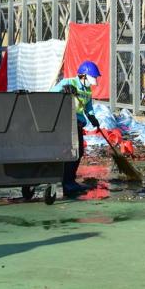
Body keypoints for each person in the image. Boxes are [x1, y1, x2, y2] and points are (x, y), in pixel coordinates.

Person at [51, 60, 101, 197]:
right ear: (83, 76)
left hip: (77, 123)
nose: (94, 81)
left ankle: (70, 180)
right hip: (65, 123)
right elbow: (51, 94)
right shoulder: (69, 83)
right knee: (70, 152)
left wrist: (92, 117)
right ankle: (67, 182)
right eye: (93, 77)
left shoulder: (87, 89)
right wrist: (64, 90)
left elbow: (88, 106)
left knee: (79, 151)